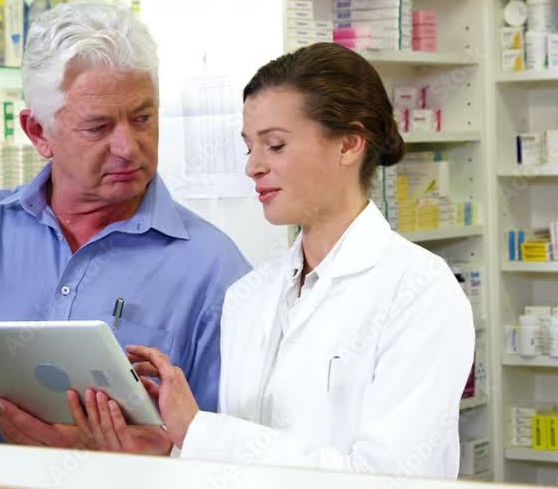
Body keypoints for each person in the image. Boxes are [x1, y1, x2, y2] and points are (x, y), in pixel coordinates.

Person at [78, 42, 476, 478]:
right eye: (249, 146)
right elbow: (236, 466)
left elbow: (392, 479)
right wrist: (172, 447)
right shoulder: (248, 295)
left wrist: (200, 431)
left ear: (349, 144)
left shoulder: (419, 291)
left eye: (275, 145)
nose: (253, 167)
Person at [0, 1, 251, 448]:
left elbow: (235, 442)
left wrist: (159, 454)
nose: (128, 147)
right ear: (38, 133)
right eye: (98, 128)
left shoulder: (214, 267)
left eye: (143, 118)